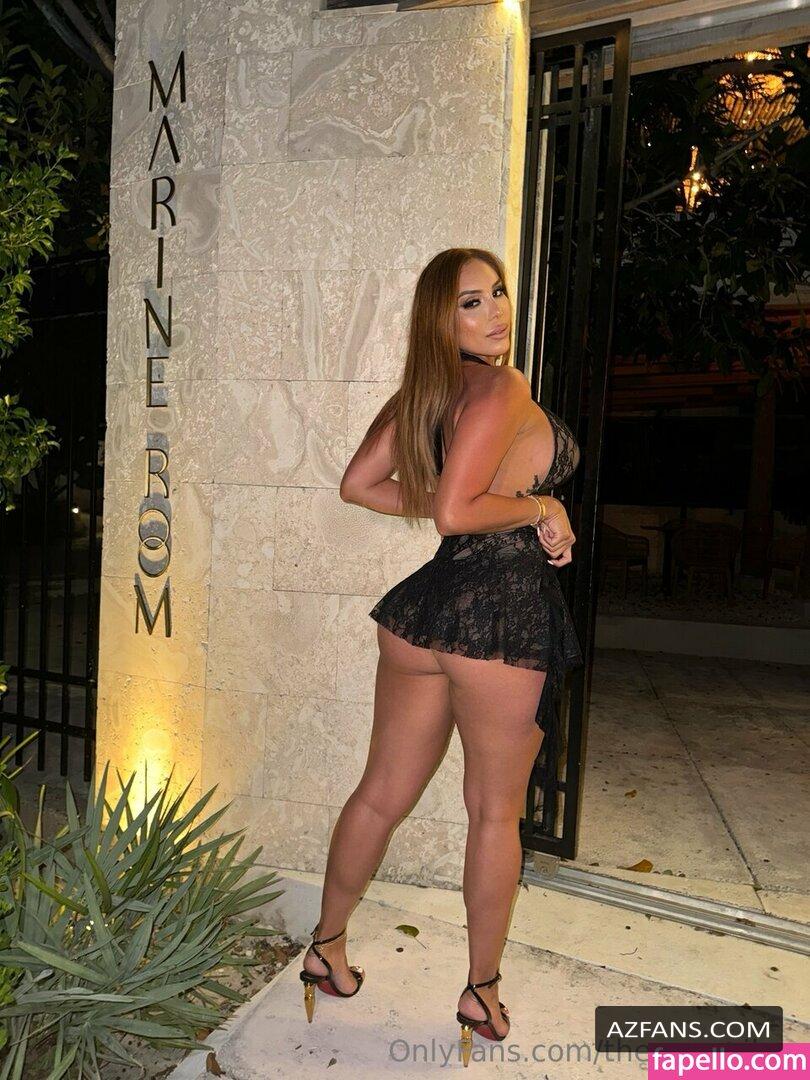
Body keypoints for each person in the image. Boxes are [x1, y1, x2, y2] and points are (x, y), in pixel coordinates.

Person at [299, 247, 583, 1065]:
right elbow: (458, 513)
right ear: (441, 318)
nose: (495, 311)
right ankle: (481, 993)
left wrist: (466, 498)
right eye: (470, 302)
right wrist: (540, 504)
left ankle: (325, 948)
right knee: (494, 813)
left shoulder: (427, 391)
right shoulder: (502, 387)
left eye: (497, 292)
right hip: (501, 620)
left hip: (425, 617)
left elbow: (360, 484)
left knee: (380, 794)